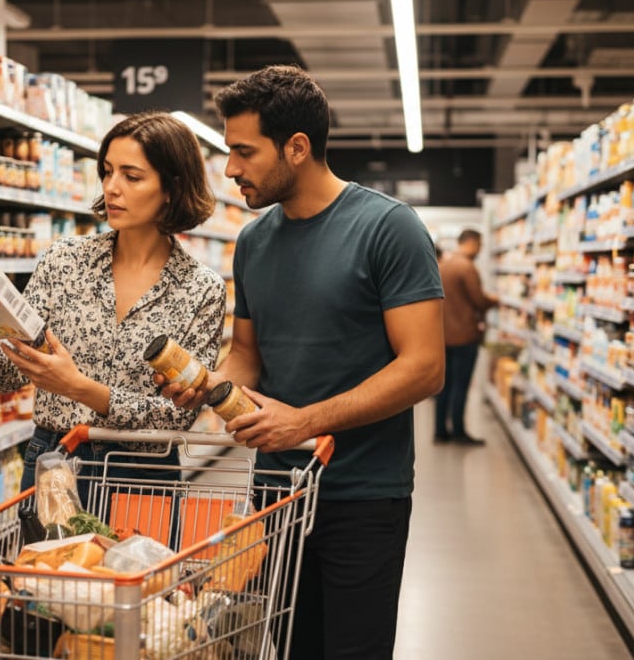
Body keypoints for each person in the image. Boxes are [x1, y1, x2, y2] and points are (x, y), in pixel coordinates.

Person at [161, 65, 445, 660]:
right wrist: (211, 389)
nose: (231, 168)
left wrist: (305, 422)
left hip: (364, 494)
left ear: (297, 147)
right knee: (288, 645)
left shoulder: (388, 229)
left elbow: (423, 367)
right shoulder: (254, 242)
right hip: (276, 492)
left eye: (244, 152)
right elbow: (246, 355)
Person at [0, 111, 227, 495]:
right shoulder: (63, 261)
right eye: (107, 171)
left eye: (131, 177)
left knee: (137, 559)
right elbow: (8, 376)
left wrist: (81, 388)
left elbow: (178, 416)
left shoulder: (202, 289)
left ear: (172, 187)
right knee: (47, 557)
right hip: (56, 461)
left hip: (143, 473)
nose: (112, 187)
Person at [436, 228, 498, 444]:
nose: (480, 250)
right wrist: (493, 300)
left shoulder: (444, 264)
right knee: (461, 386)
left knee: (444, 385)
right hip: (464, 336)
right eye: (479, 245)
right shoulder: (467, 267)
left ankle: (440, 430)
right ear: (471, 243)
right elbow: (478, 301)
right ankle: (460, 431)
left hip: (443, 336)